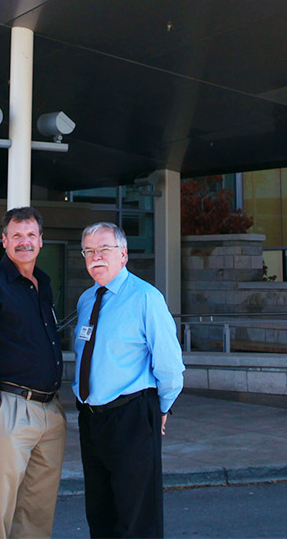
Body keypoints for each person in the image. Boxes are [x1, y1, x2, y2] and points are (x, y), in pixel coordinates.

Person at [72, 222, 185, 539]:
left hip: (132, 416)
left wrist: (159, 410)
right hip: (91, 420)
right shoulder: (86, 300)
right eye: (89, 251)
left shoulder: (145, 298)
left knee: (137, 517)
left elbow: (170, 365)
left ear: (123, 254)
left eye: (104, 249)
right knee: (100, 512)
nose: (96, 256)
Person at [0, 207, 66, 538]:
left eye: (31, 235)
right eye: (17, 235)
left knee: (38, 510)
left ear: (41, 240)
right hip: (13, 407)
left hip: (50, 410)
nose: (25, 242)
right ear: (4, 240)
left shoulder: (43, 284)